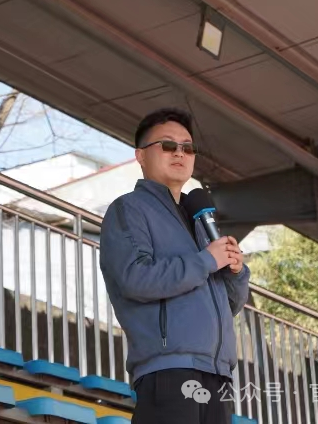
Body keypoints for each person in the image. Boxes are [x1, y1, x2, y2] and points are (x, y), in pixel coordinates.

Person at [100, 108, 251, 424]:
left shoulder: (199, 222)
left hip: (218, 373)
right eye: (168, 145)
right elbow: (135, 279)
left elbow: (229, 305)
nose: (179, 153)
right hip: (169, 368)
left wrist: (236, 273)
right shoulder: (129, 208)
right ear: (141, 155)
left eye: (188, 147)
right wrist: (207, 260)